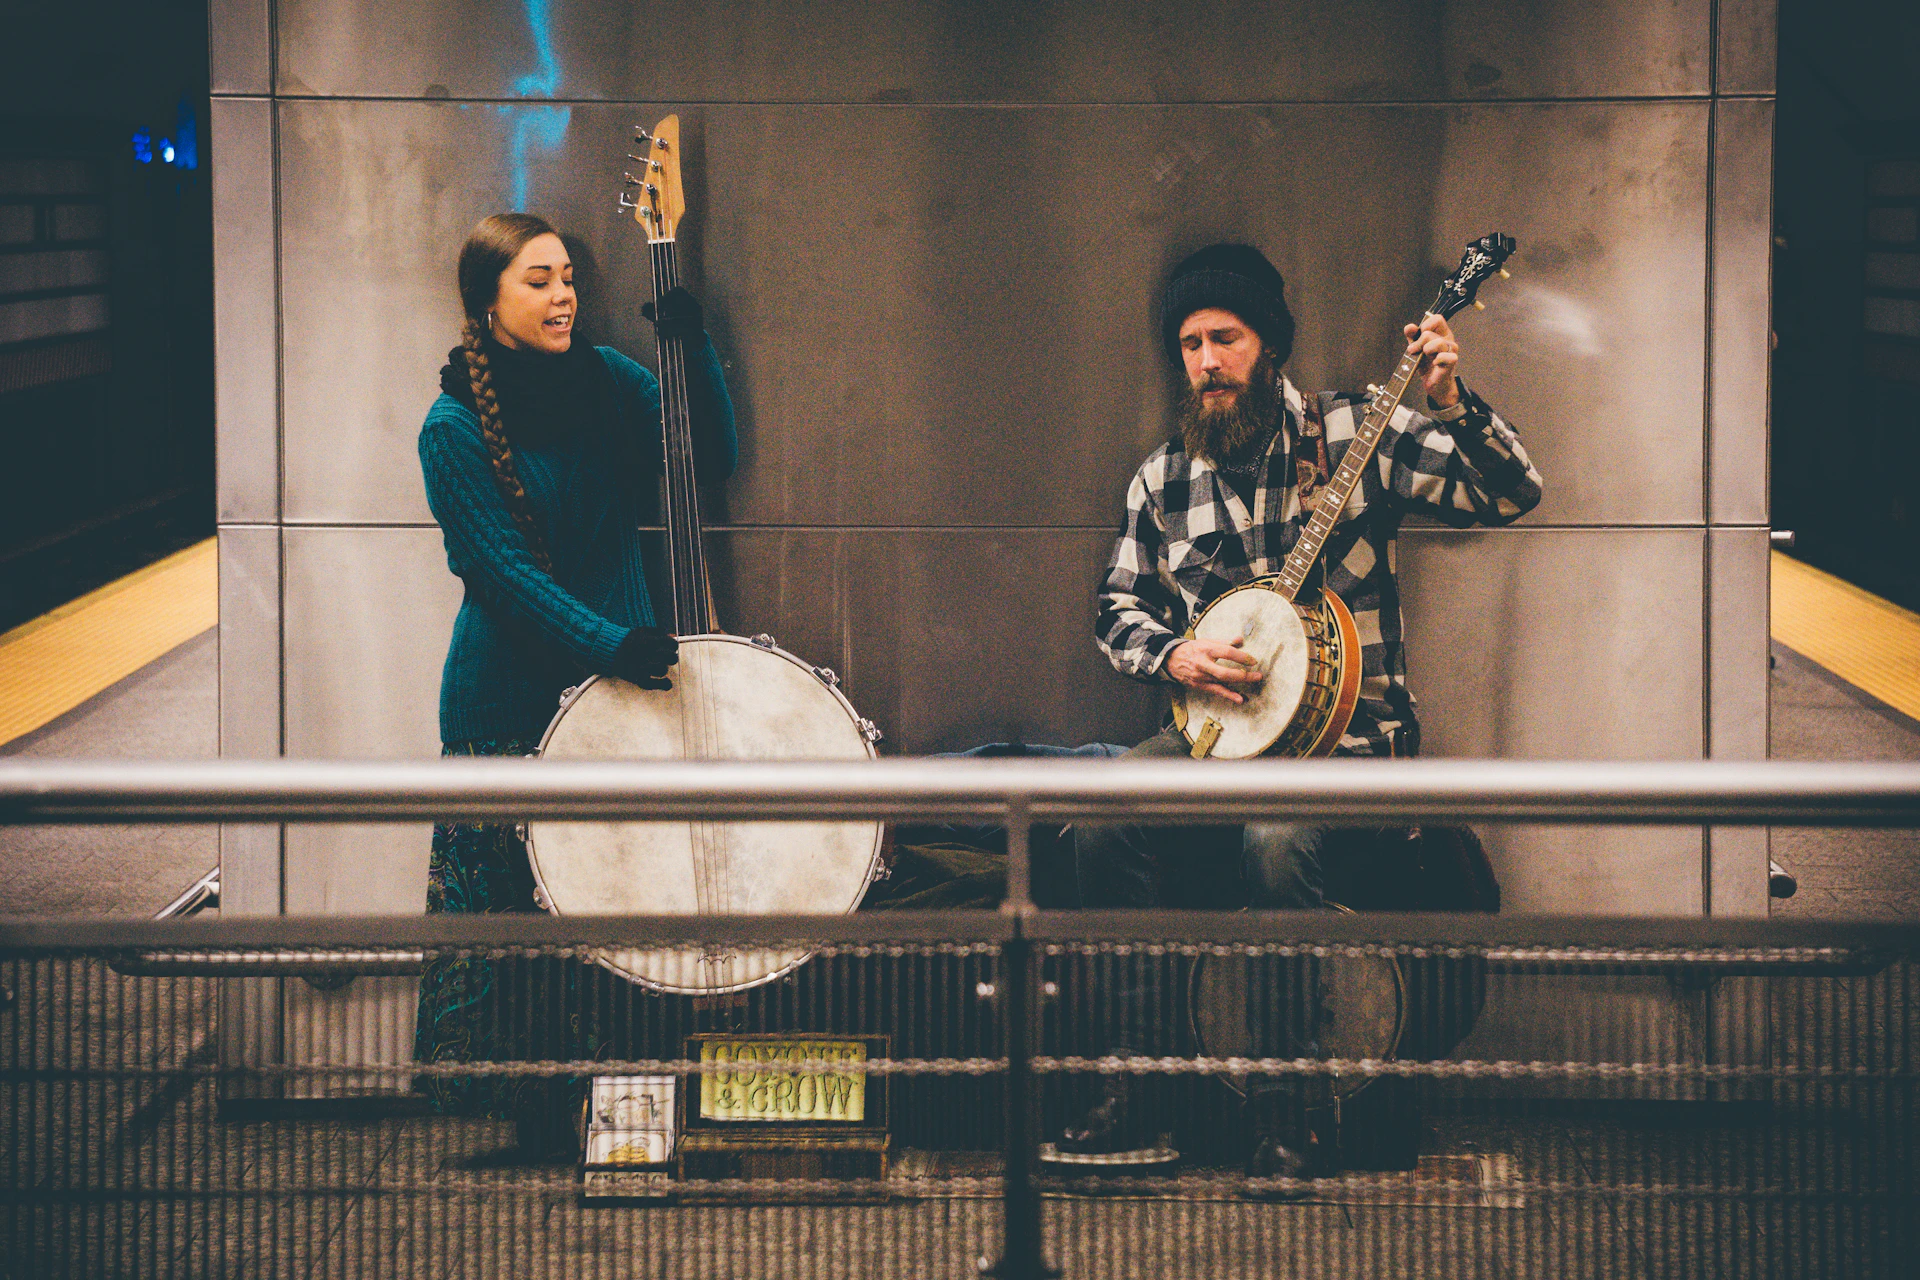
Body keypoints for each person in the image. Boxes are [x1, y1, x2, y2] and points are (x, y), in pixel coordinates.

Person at [1065, 243, 1543, 1175]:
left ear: (1270, 344)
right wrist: (1176, 652)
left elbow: (1510, 493)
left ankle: (1287, 1103)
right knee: (1096, 816)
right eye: (1191, 344)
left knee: (1274, 840)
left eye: (1226, 338)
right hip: (1219, 741)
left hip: (1351, 746)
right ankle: (1138, 1081)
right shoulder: (1162, 479)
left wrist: (1448, 400)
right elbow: (1114, 608)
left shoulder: (1358, 429)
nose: (1206, 362)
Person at [410, 212, 736, 1146]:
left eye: (566, 279)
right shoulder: (452, 426)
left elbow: (708, 458)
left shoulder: (604, 378)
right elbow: (503, 577)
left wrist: (688, 344)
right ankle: (534, 1115)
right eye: (538, 281)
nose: (563, 298)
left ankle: (614, 1108)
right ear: (487, 301)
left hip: (613, 684)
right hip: (510, 699)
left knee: (611, 901)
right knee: (515, 917)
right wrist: (615, 642)